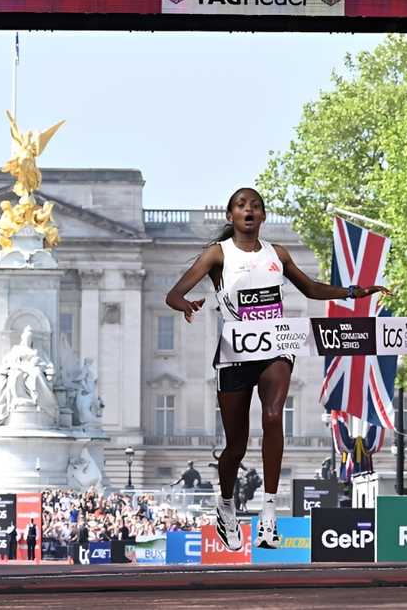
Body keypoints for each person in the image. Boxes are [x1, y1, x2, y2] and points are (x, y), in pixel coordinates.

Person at [165, 187, 388, 551]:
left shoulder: (277, 254)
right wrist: (186, 305)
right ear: (231, 216)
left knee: (273, 416)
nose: (249, 210)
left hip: (275, 345)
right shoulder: (217, 254)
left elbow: (311, 289)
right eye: (241, 205)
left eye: (255, 205)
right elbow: (173, 295)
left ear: (263, 216)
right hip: (236, 350)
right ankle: (226, 505)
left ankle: (269, 512)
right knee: (235, 446)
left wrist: (352, 292)